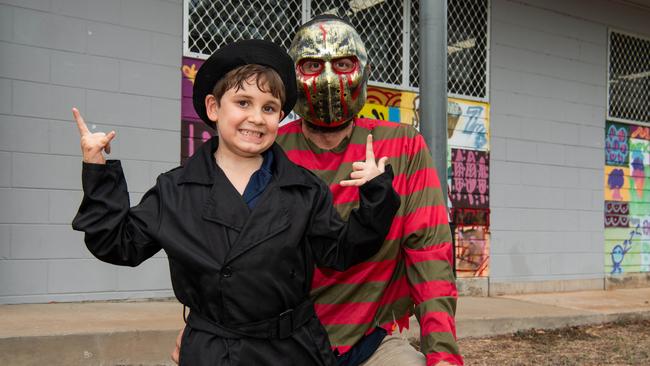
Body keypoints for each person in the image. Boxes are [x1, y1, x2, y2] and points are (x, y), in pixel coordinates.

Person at [71, 39, 400, 366]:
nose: (256, 118)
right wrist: (97, 171)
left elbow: (341, 252)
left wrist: (376, 194)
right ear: (214, 108)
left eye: (269, 108)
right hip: (214, 352)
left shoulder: (305, 189)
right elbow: (117, 244)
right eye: (243, 102)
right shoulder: (175, 190)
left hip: (292, 350)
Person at [173, 15, 463, 366]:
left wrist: (443, 354)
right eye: (312, 65)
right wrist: (205, 325)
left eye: (343, 64)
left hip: (369, 339)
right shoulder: (267, 148)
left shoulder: (403, 146)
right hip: (278, 342)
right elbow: (221, 247)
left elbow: (429, 252)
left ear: (363, 69)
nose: (328, 78)